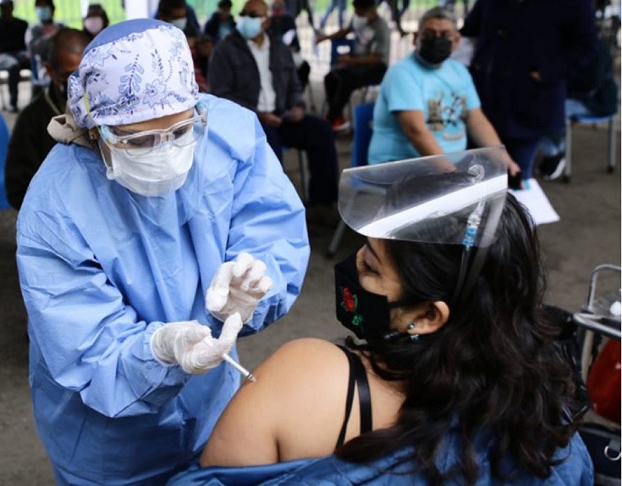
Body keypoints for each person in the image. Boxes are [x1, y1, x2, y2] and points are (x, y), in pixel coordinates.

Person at [167, 147, 593, 484]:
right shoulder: (551, 419)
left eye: (371, 268)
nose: (353, 268)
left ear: (427, 315)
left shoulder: (304, 378)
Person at [16, 18, 310, 484]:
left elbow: (271, 224)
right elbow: (87, 345)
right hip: (106, 441)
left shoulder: (228, 133)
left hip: (215, 404)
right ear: (95, 129)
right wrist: (158, 350)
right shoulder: (55, 208)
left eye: (179, 131)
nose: (167, 152)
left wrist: (255, 277)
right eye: (138, 140)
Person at [209, 0, 340, 211]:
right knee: (268, 144)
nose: (245, 19)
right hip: (250, 121)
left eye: (253, 15)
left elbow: (295, 85)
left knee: (322, 131)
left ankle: (322, 203)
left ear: (266, 22)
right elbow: (220, 95)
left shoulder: (279, 48)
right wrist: (258, 114)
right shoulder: (225, 49)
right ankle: (273, 209)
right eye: (243, 14)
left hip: (283, 115)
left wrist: (298, 106)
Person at [368, 7, 520, 181]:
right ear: (416, 38)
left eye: (445, 34)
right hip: (403, 168)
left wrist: (504, 160)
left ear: (456, 41)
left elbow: (476, 121)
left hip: (448, 166)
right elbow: (415, 131)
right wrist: (452, 176)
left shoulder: (459, 71)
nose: (437, 39)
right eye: (430, 34)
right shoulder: (402, 73)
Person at [461, 0, 597, 180]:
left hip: (531, 104)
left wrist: (545, 72)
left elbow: (586, 48)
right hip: (485, 100)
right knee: (474, 176)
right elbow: (470, 29)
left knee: (514, 176)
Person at [5, 28, 89, 211]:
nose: (79, 84)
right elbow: (18, 189)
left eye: (85, 75)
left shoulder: (107, 110)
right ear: (50, 71)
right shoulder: (32, 119)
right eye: (70, 76)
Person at [538, 35, 619, 181]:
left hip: (597, 102)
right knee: (541, 107)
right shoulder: (572, 46)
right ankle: (555, 151)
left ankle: (555, 153)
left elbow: (592, 81)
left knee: (552, 110)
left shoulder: (595, 47)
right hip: (580, 96)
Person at [316, 0, 390, 132]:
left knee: (346, 81)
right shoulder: (358, 19)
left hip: (376, 67)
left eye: (359, 12)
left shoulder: (381, 27)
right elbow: (344, 31)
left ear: (371, 11)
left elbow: (376, 58)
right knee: (331, 77)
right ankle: (338, 118)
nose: (356, 14)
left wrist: (351, 60)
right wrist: (325, 37)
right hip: (356, 64)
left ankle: (331, 119)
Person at [267, 0, 311, 91]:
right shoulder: (269, 22)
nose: (277, 10)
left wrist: (291, 48)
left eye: (279, 8)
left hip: (289, 53)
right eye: (275, 8)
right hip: (273, 55)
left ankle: (297, 92)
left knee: (304, 67)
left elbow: (296, 43)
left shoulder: (289, 20)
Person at [26, 0, 65, 97]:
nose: (42, 9)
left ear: (52, 9)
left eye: (45, 6)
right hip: (44, 68)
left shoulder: (61, 26)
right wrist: (51, 37)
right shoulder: (34, 29)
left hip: (63, 65)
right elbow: (33, 48)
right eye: (40, 7)